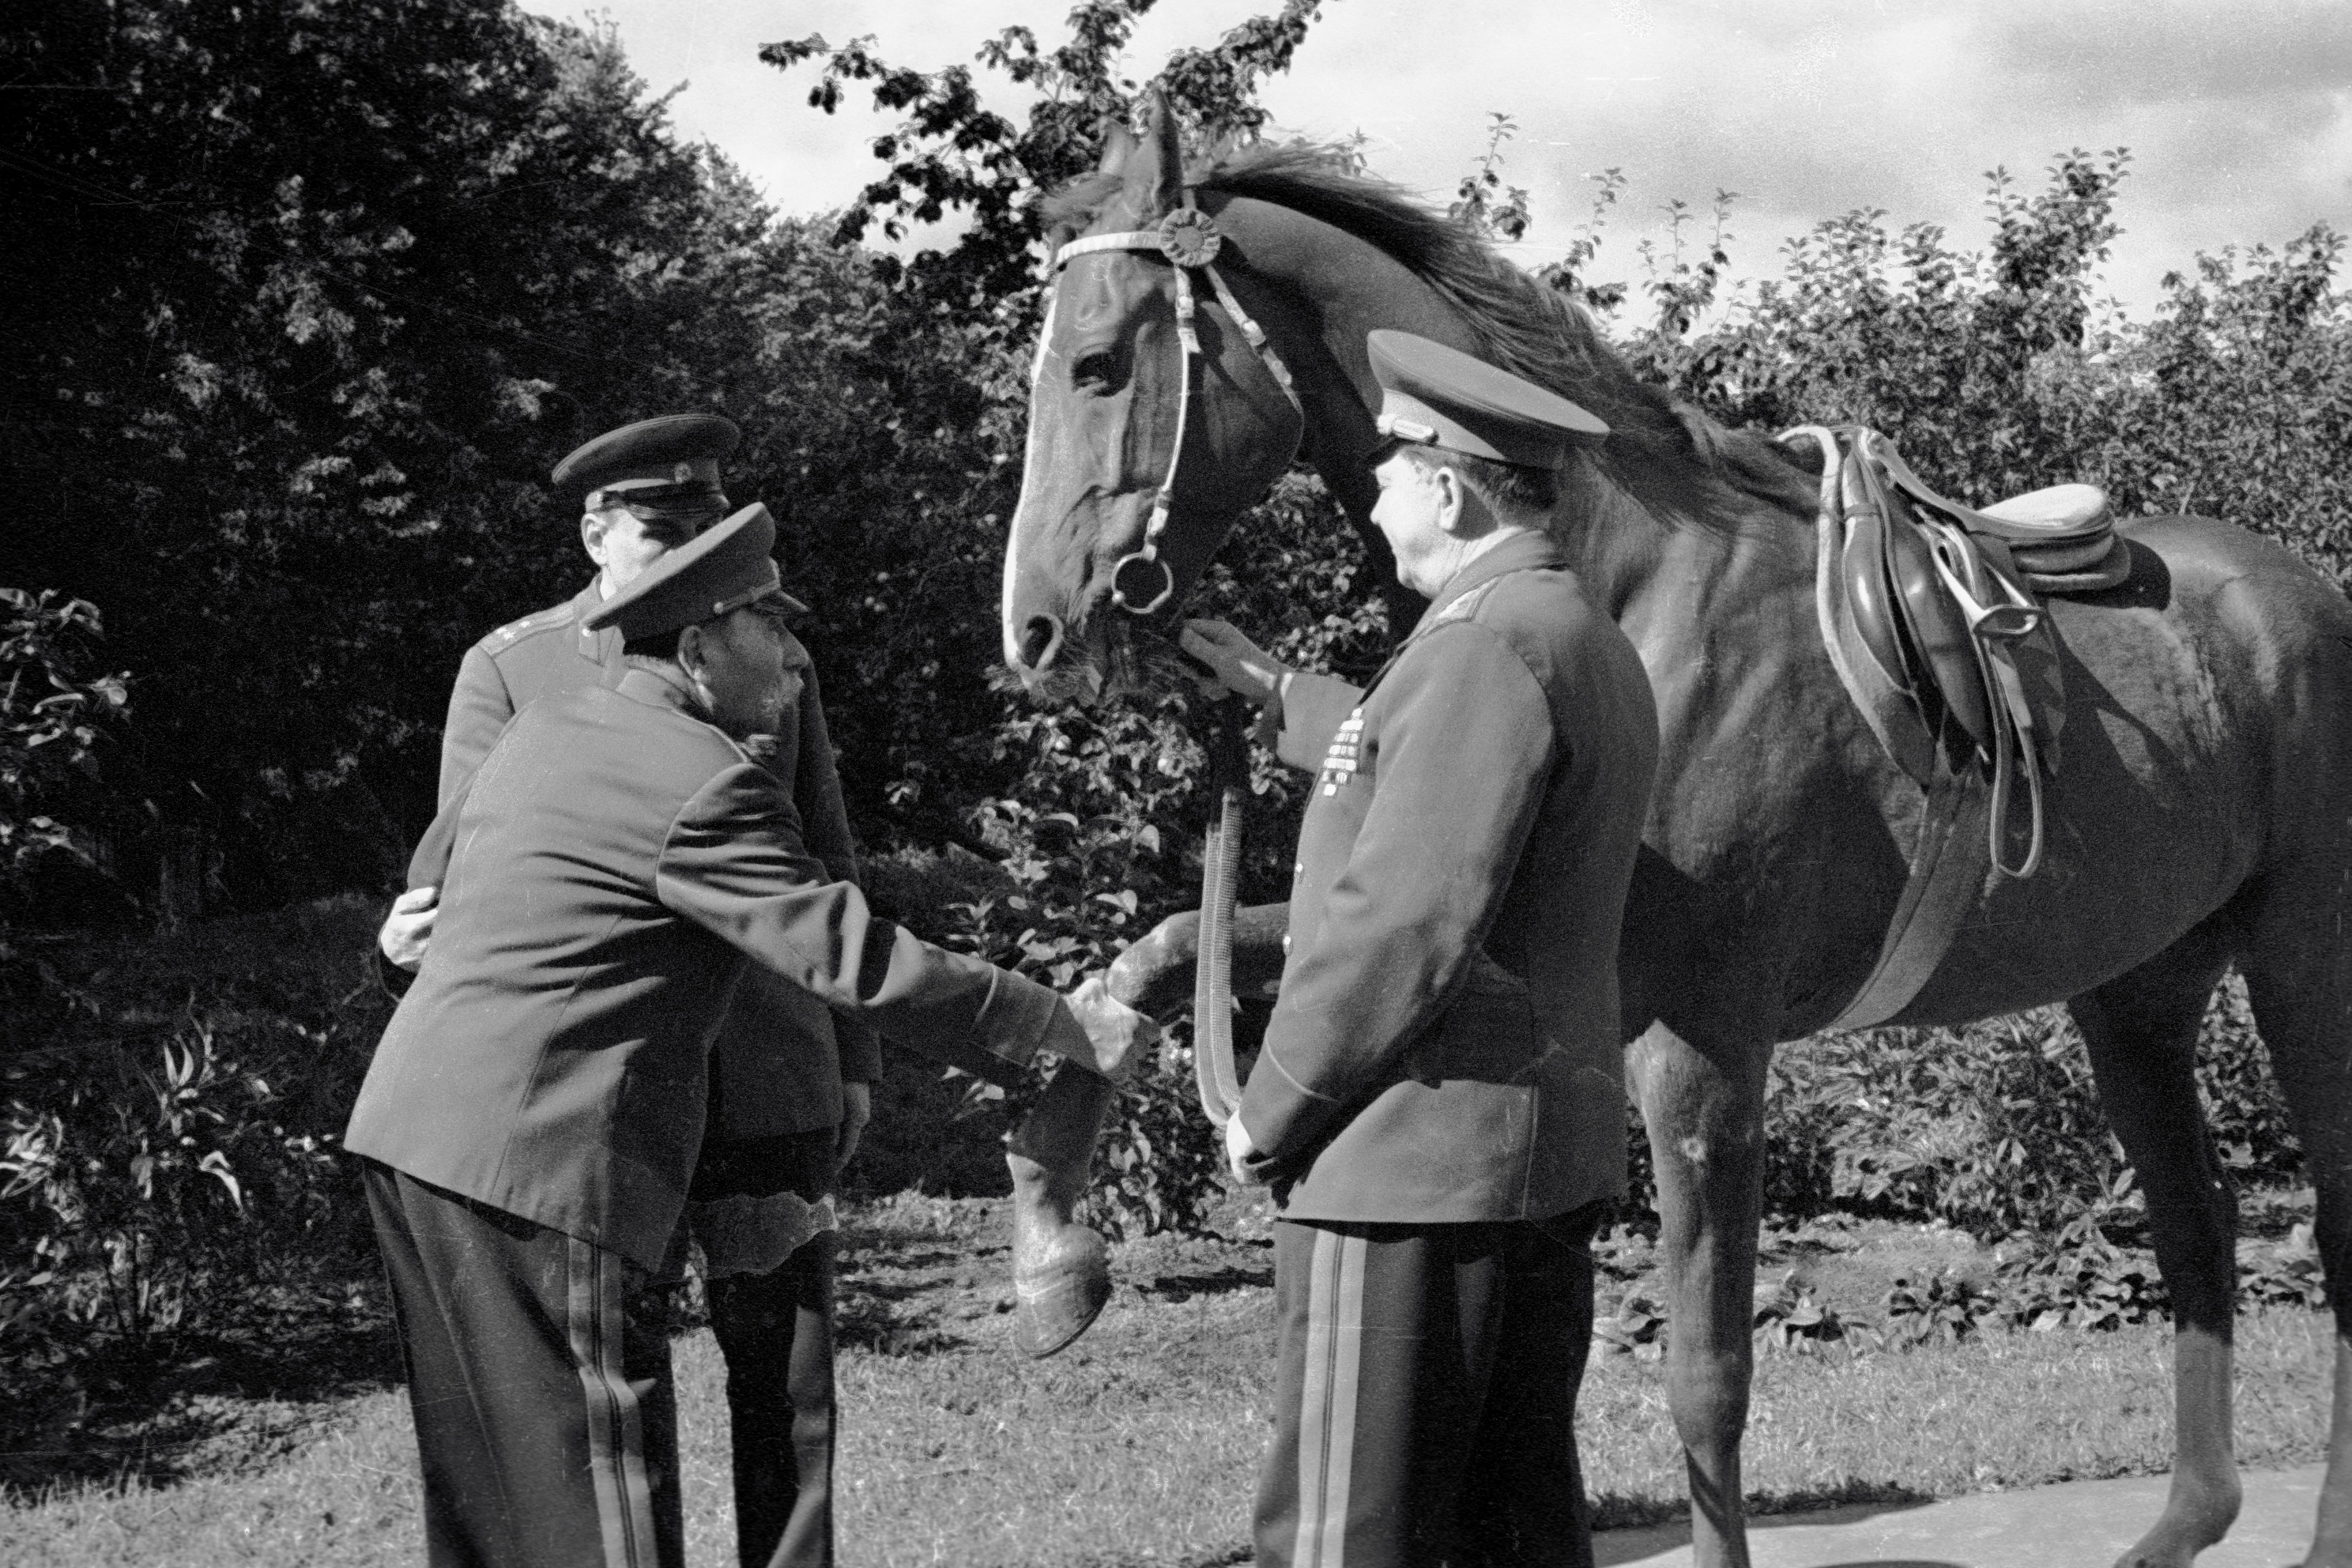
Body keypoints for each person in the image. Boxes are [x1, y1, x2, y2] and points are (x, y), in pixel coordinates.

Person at [346, 501, 1161, 1568]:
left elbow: (437, 876)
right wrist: (1059, 1023)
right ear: (694, 647)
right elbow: (853, 956)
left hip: (418, 1143)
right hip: (531, 1165)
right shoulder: (696, 778)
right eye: (768, 627)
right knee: (596, 1503)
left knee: (499, 1504)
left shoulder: (555, 722)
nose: (792, 654)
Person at [1178, 330, 1660, 1568]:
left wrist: (1271, 1103)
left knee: (1352, 1538)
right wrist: (1287, 697)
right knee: (1509, 1532)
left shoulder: (1479, 646)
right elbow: (1439, 779)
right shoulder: (1563, 629)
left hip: (1404, 1166)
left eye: (1390, 470)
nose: (1377, 498)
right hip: (1518, 1164)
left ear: (1447, 486)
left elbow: (1405, 914)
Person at [378, 414, 875, 1566]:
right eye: (661, 528)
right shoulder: (512, 668)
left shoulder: (760, 647)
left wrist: (850, 1055)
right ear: (596, 532)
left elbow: (826, 851)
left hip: (764, 1064)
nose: (686, 550)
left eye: (705, 525)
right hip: (608, 1088)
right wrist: (402, 938)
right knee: (614, 1389)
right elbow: (473, 870)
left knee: (790, 1386)